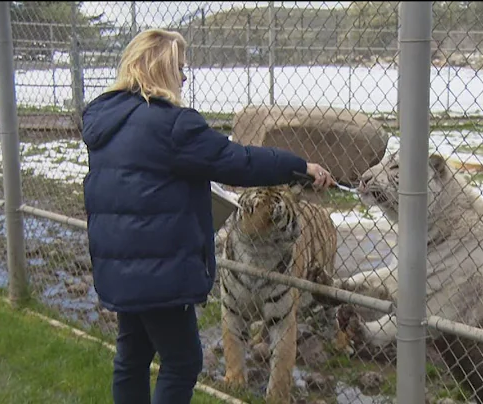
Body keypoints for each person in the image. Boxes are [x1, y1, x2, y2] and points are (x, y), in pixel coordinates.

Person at [80, 28, 336, 404]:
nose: (184, 77)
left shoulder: (106, 122)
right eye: (180, 68)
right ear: (162, 68)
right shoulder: (172, 125)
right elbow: (240, 162)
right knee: (183, 361)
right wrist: (301, 166)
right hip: (159, 269)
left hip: (118, 263)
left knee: (131, 357)